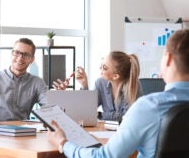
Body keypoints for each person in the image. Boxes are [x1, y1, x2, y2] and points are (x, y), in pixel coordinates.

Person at [47, 29, 189, 158]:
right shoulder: (146, 106)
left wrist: (63, 143)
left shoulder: (149, 107)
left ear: (168, 59)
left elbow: (104, 157)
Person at [53, 51, 143, 121]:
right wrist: (84, 85)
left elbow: (126, 116)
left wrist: (99, 115)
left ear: (115, 76)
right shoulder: (100, 83)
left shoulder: (133, 85)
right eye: (101, 64)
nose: (100, 68)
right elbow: (87, 110)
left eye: (104, 67)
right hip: (107, 131)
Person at [0, 38, 48, 121]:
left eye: (26, 55)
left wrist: (59, 95)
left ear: (32, 59)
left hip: (24, 130)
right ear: (12, 54)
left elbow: (50, 111)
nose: (20, 58)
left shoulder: (38, 82)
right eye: (17, 53)